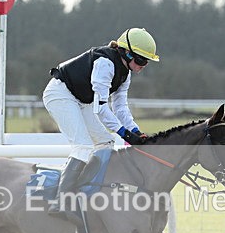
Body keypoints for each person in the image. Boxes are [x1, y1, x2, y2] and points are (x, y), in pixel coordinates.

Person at [42, 27, 159, 220]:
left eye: (147, 61)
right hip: (60, 94)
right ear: (127, 53)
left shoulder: (125, 73)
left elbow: (120, 107)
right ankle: (60, 201)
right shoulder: (105, 63)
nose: (143, 65)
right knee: (83, 146)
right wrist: (124, 133)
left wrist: (135, 131)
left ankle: (86, 192)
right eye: (141, 60)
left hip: (81, 99)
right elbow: (101, 109)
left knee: (106, 142)